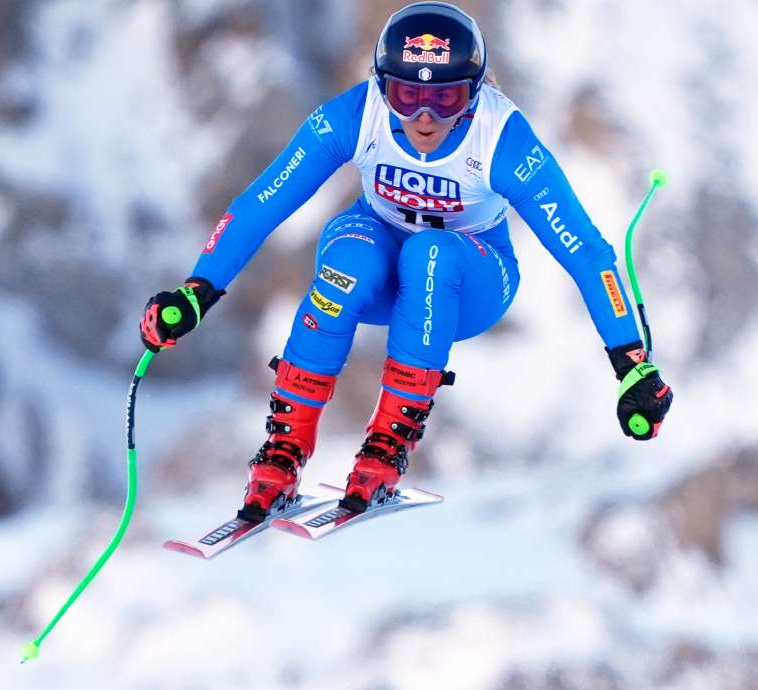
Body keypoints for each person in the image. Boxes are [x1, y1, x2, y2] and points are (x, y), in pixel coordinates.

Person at [139, 1, 673, 517]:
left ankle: (386, 444)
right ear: (380, 85)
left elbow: (585, 251)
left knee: (430, 251)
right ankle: (283, 451)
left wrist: (630, 364)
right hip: (381, 273)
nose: (422, 117)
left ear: (476, 92)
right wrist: (197, 291)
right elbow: (261, 203)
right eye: (404, 94)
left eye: (445, 100)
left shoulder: (501, 139)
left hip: (472, 285)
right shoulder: (356, 113)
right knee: (346, 250)